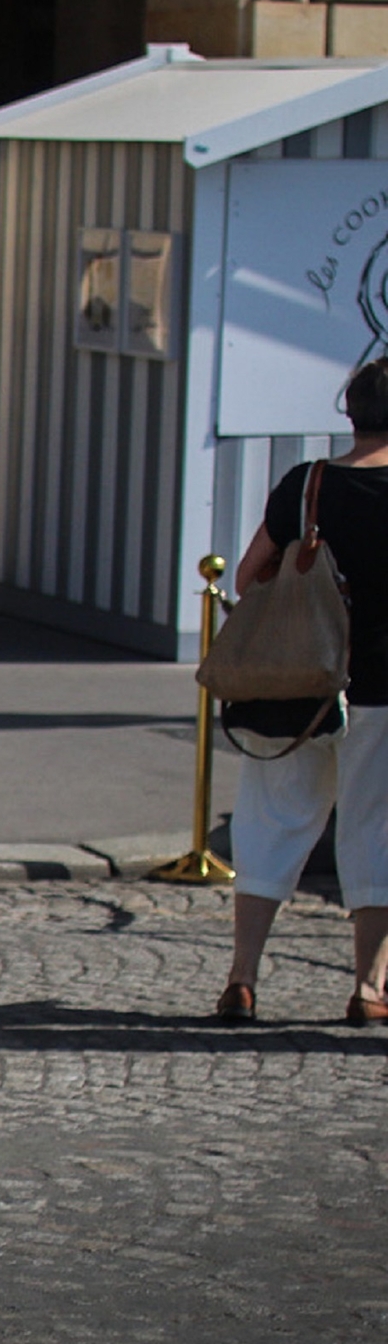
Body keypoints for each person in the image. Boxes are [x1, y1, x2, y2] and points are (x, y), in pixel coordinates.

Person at [214, 358, 388, 1025]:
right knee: (375, 831)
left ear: (352, 412)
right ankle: (370, 988)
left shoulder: (306, 484)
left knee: (269, 822)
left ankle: (242, 979)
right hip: (380, 690)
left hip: (291, 687)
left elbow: (250, 576)